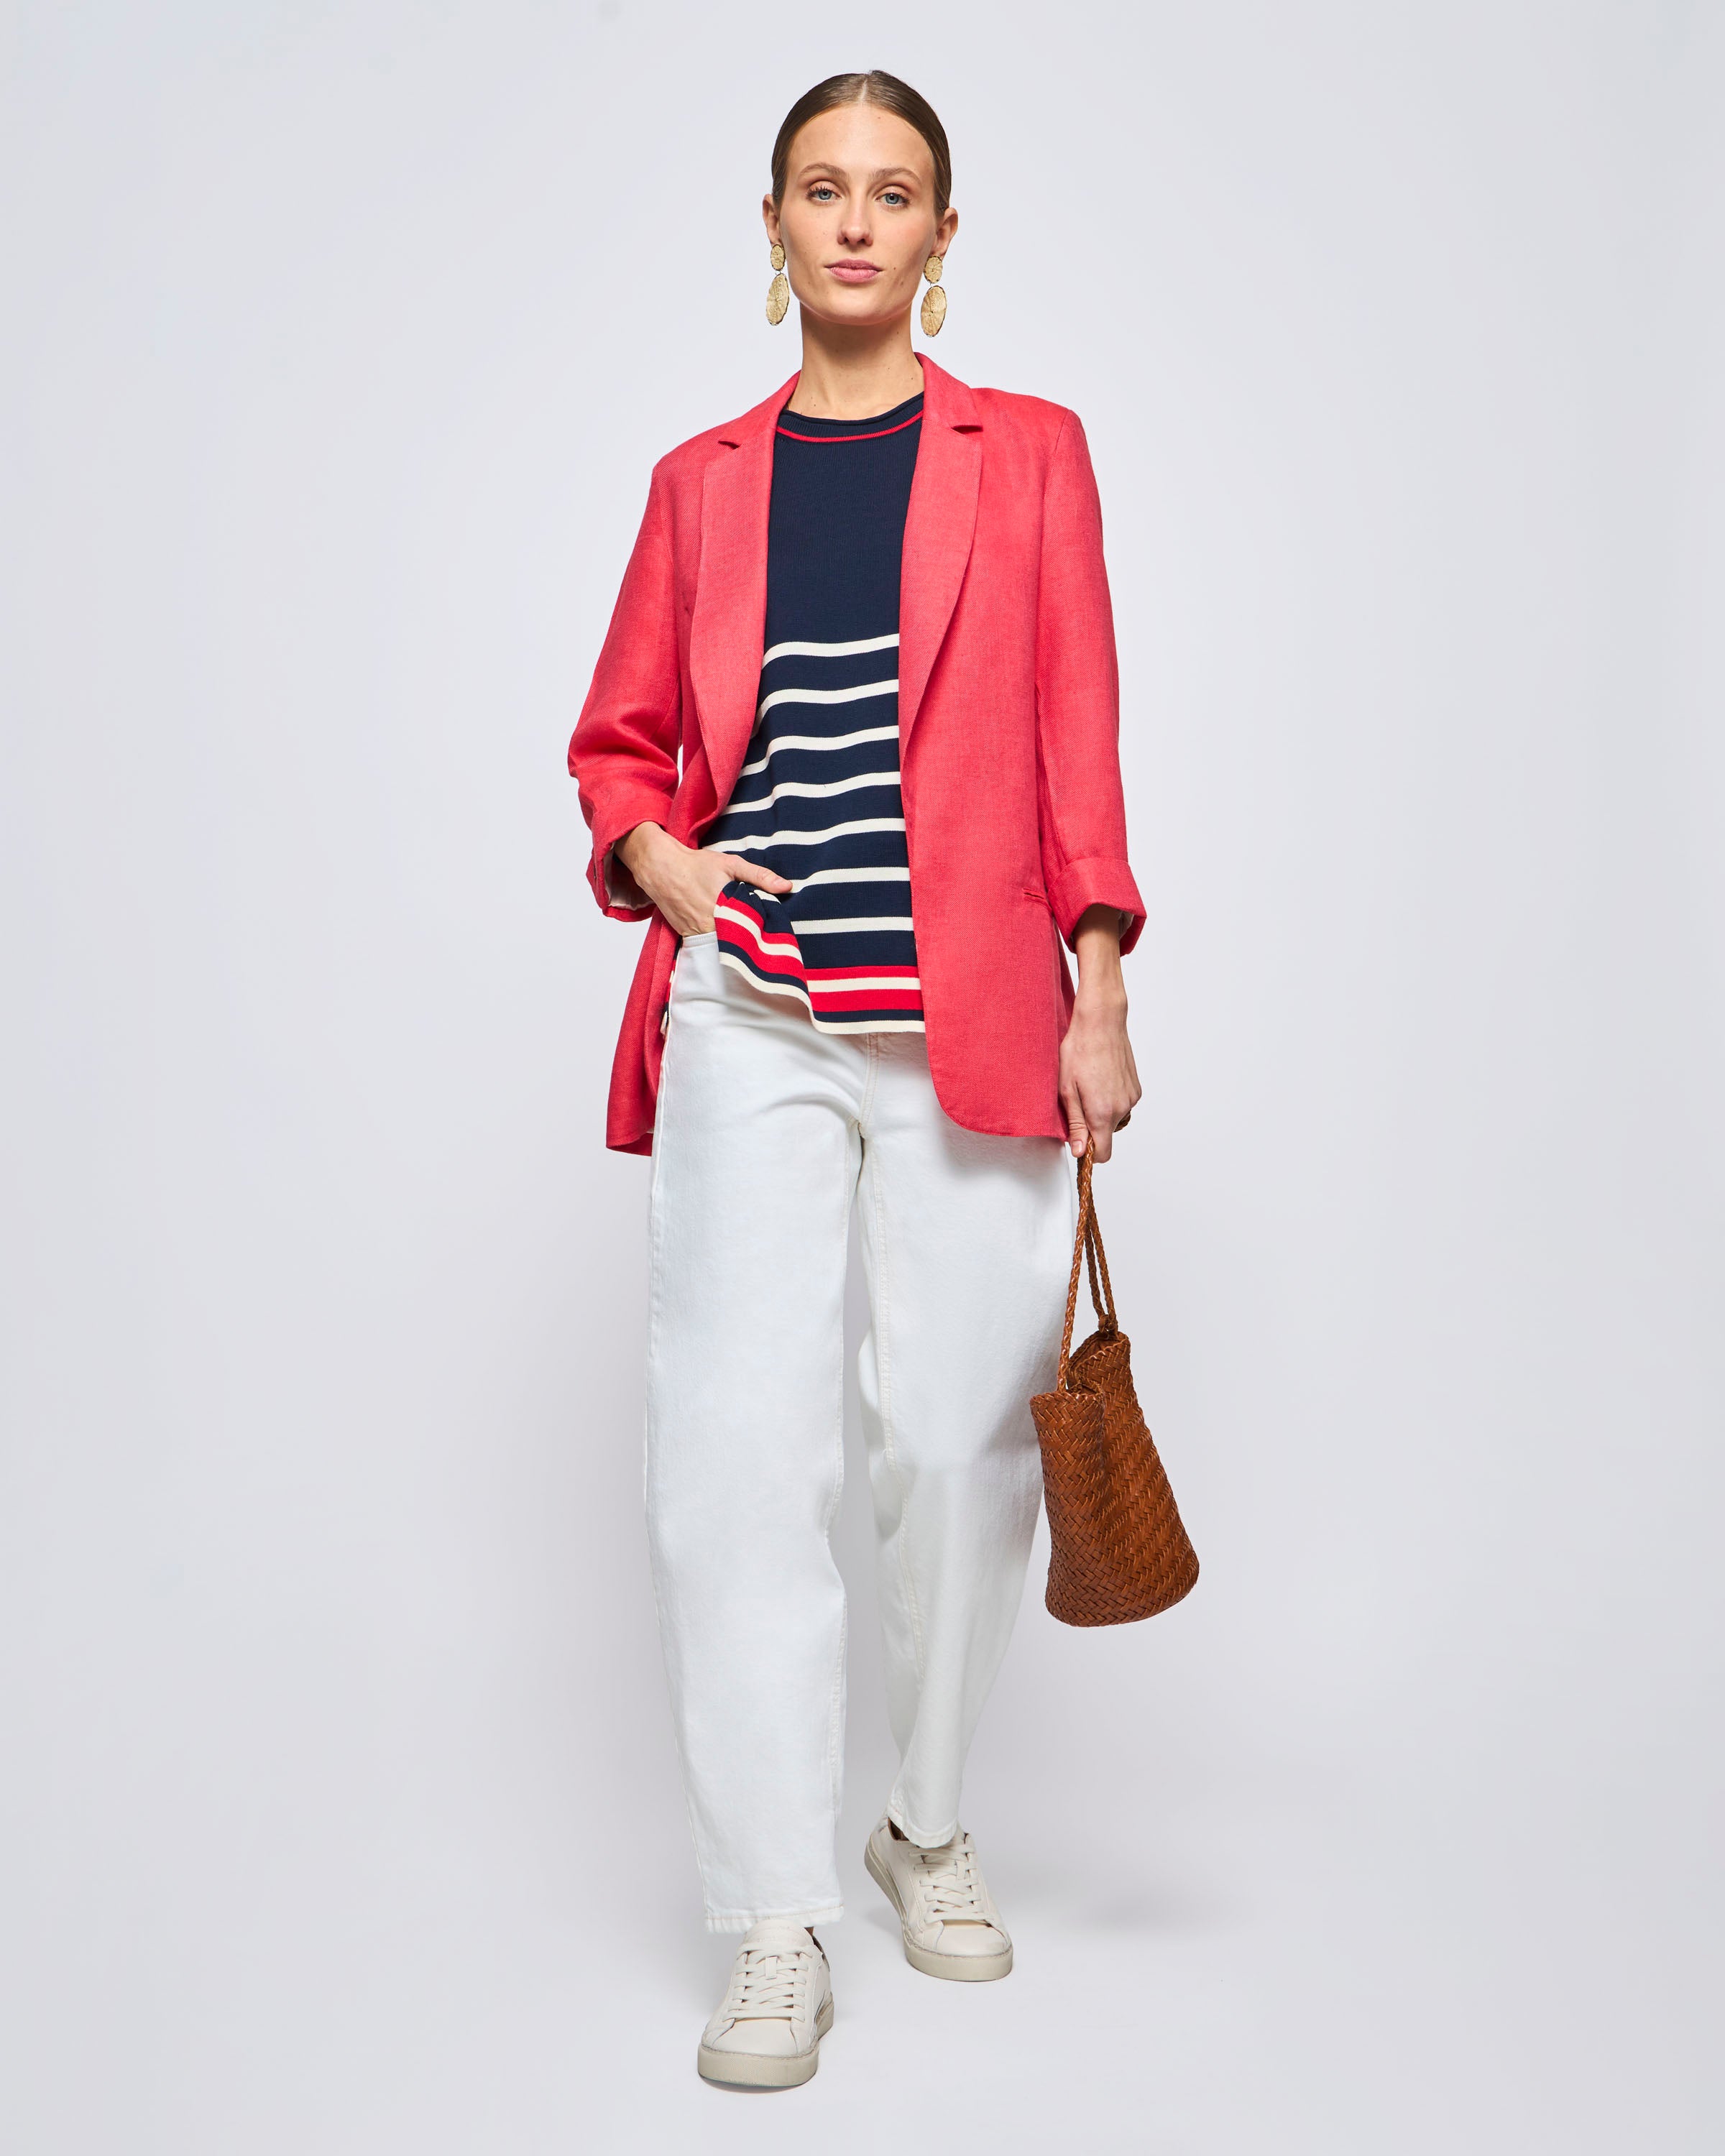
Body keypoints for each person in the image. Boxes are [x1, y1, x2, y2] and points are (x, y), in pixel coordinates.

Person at [569, 70, 1144, 2089]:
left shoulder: (1032, 455)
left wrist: (1098, 988)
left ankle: (922, 1824)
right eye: (823, 189)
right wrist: (664, 863)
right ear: (775, 224)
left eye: (895, 194)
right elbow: (619, 745)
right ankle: (774, 1913)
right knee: (732, 1461)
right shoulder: (699, 482)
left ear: (942, 235)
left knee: (963, 1452)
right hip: (755, 1016)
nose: (856, 222)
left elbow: (1076, 737)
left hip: (971, 1014)